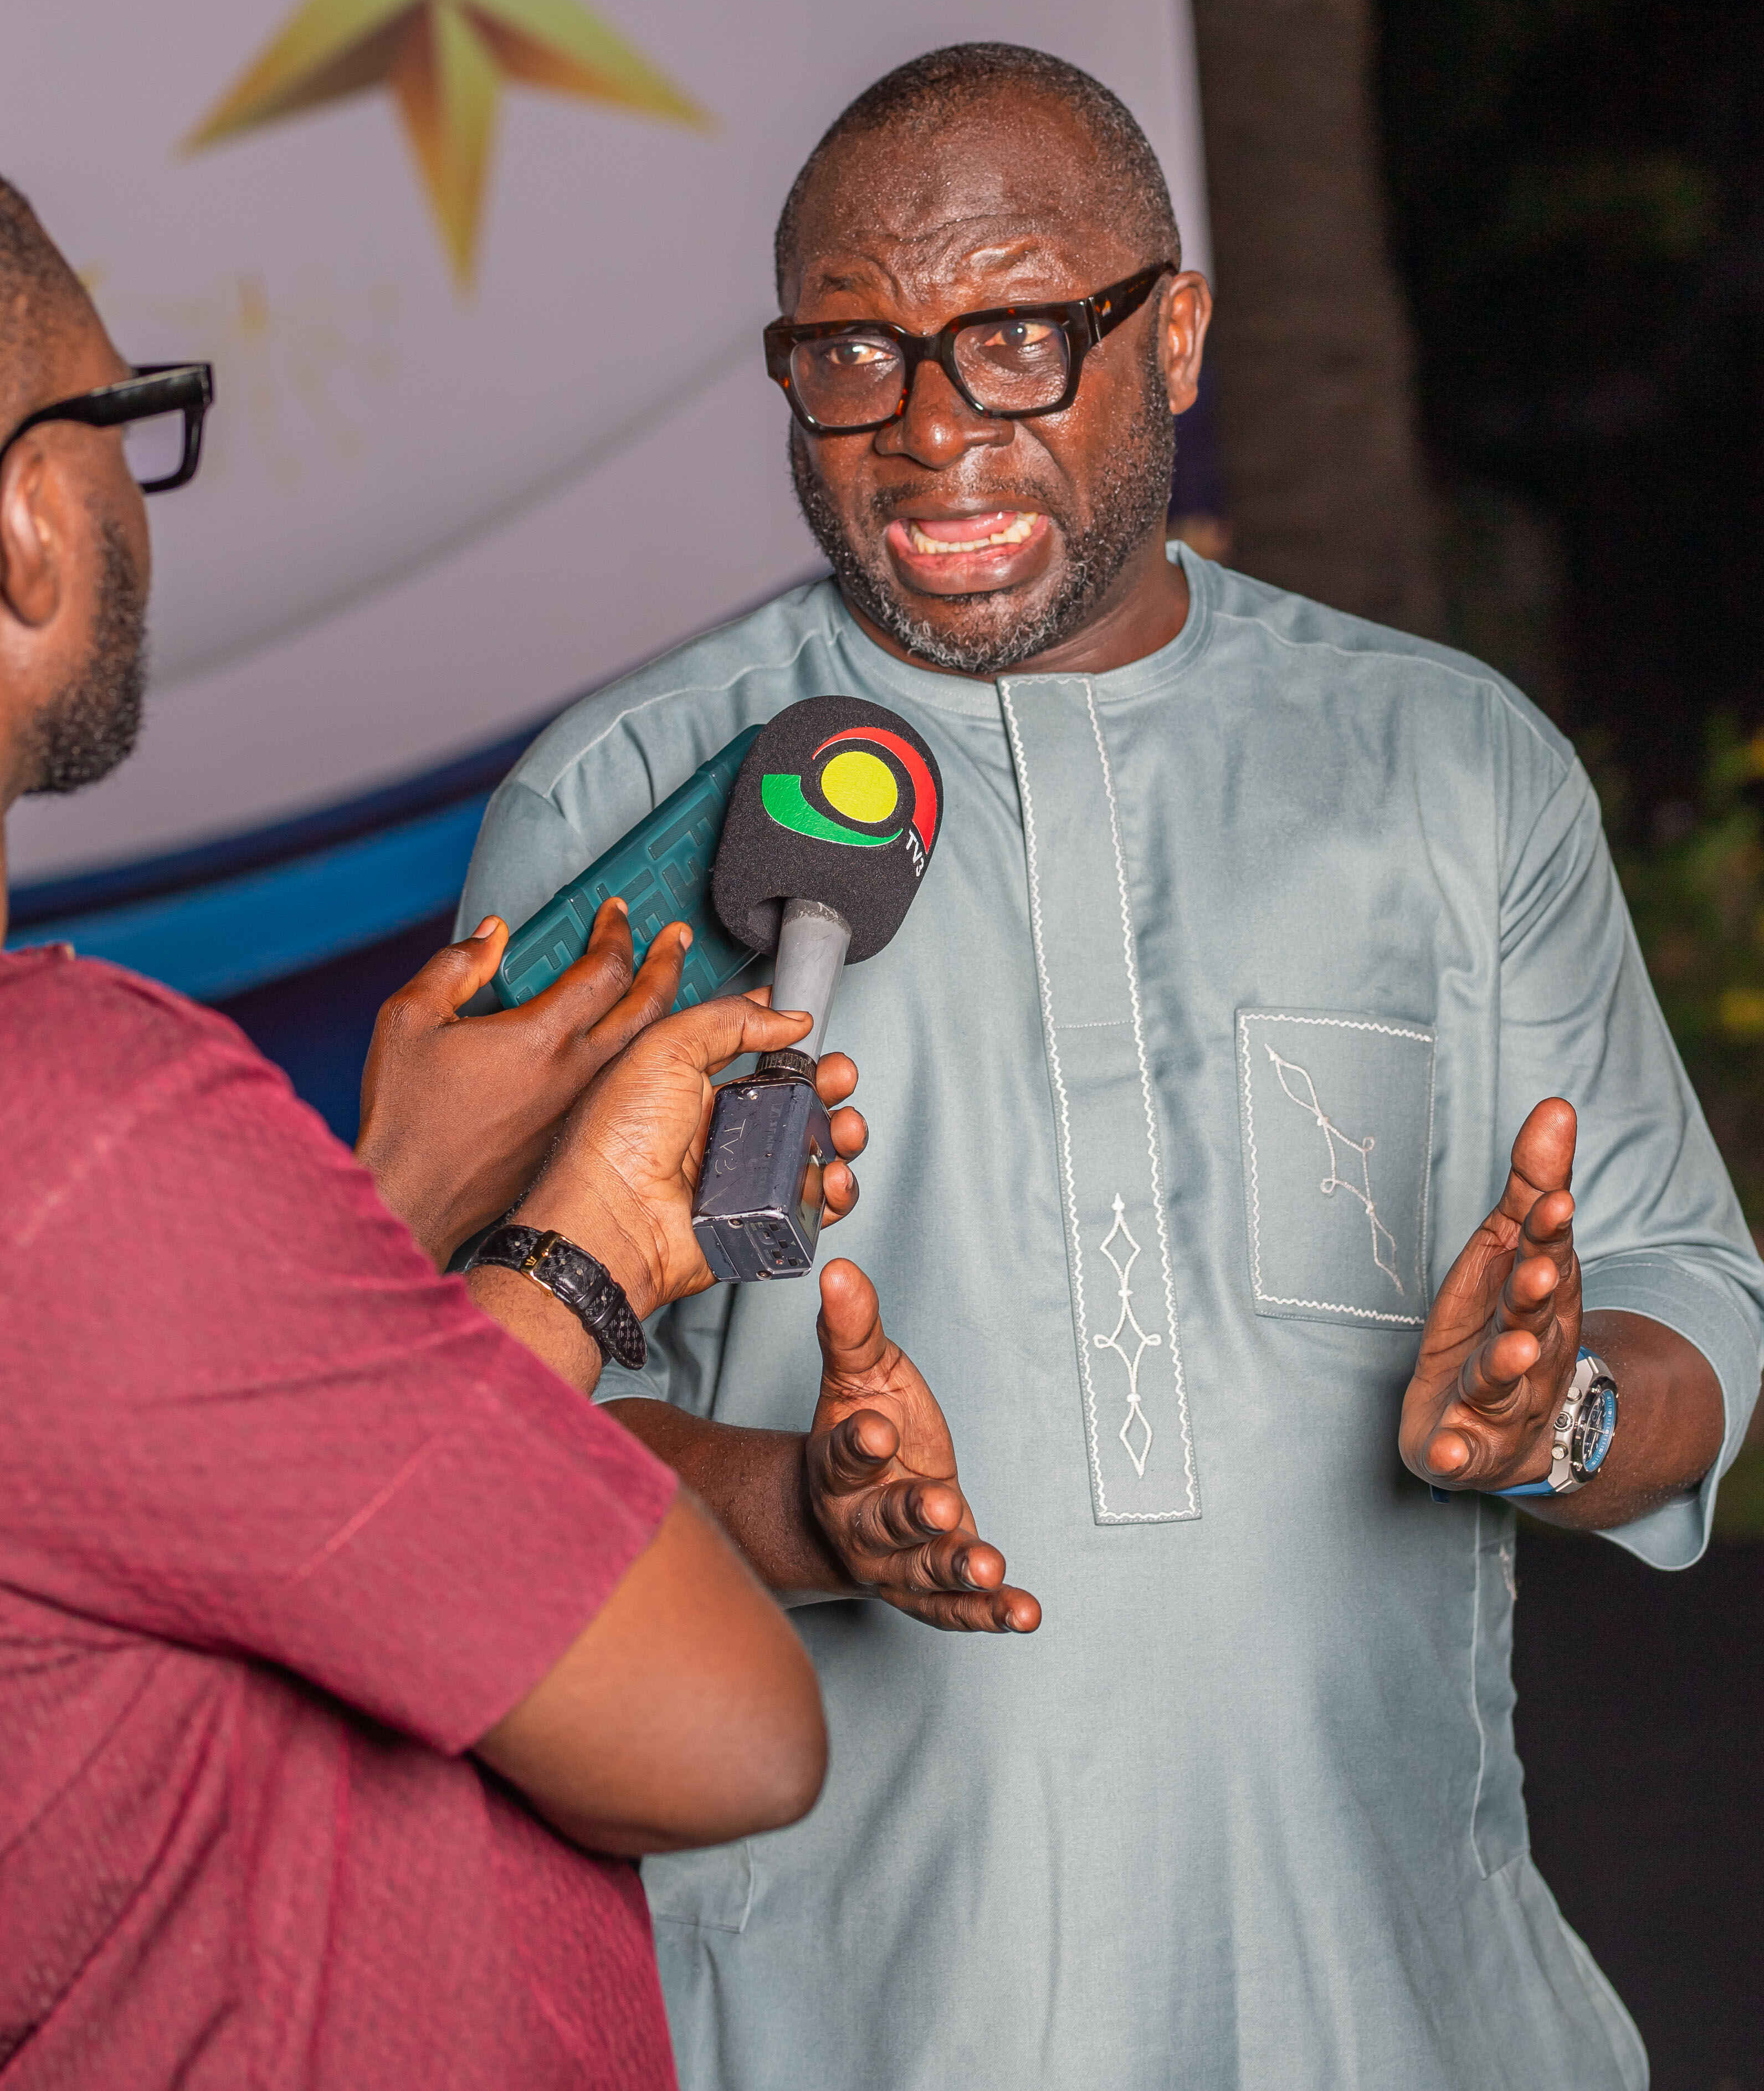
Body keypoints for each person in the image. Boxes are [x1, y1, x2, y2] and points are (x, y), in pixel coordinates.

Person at [458, 44, 1764, 2090]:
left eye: (1012, 339)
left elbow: (1688, 1298)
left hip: (1403, 2014)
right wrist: (806, 1511)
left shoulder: (1449, 769)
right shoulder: (621, 805)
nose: (926, 434)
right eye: (851, 356)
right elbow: (479, 1445)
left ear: (1174, 337)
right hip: (848, 2024)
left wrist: (1556, 1408)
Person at [0, 175, 1025, 2090]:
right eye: (125, 417)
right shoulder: (77, 1126)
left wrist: (380, 1212)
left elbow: (119, 1533)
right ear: (26, 524)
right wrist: (578, 1256)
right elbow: (729, 1733)